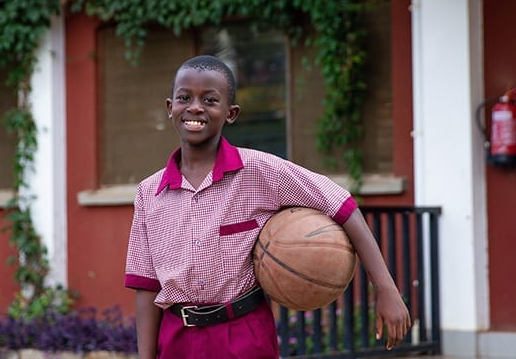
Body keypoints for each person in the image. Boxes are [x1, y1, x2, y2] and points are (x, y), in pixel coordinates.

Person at [124, 55, 411, 358]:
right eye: (185, 98)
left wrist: (386, 289)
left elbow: (342, 204)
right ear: (170, 108)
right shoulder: (148, 193)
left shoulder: (260, 171)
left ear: (230, 113)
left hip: (245, 334)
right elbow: (147, 285)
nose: (195, 107)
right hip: (178, 340)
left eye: (209, 99)